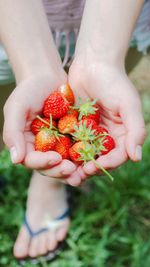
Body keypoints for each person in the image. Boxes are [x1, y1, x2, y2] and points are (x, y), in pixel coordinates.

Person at [0, 0, 147, 262]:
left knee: (46, 146)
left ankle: (49, 183)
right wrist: (33, 68)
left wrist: (102, 60)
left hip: (120, 18)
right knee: (9, 108)